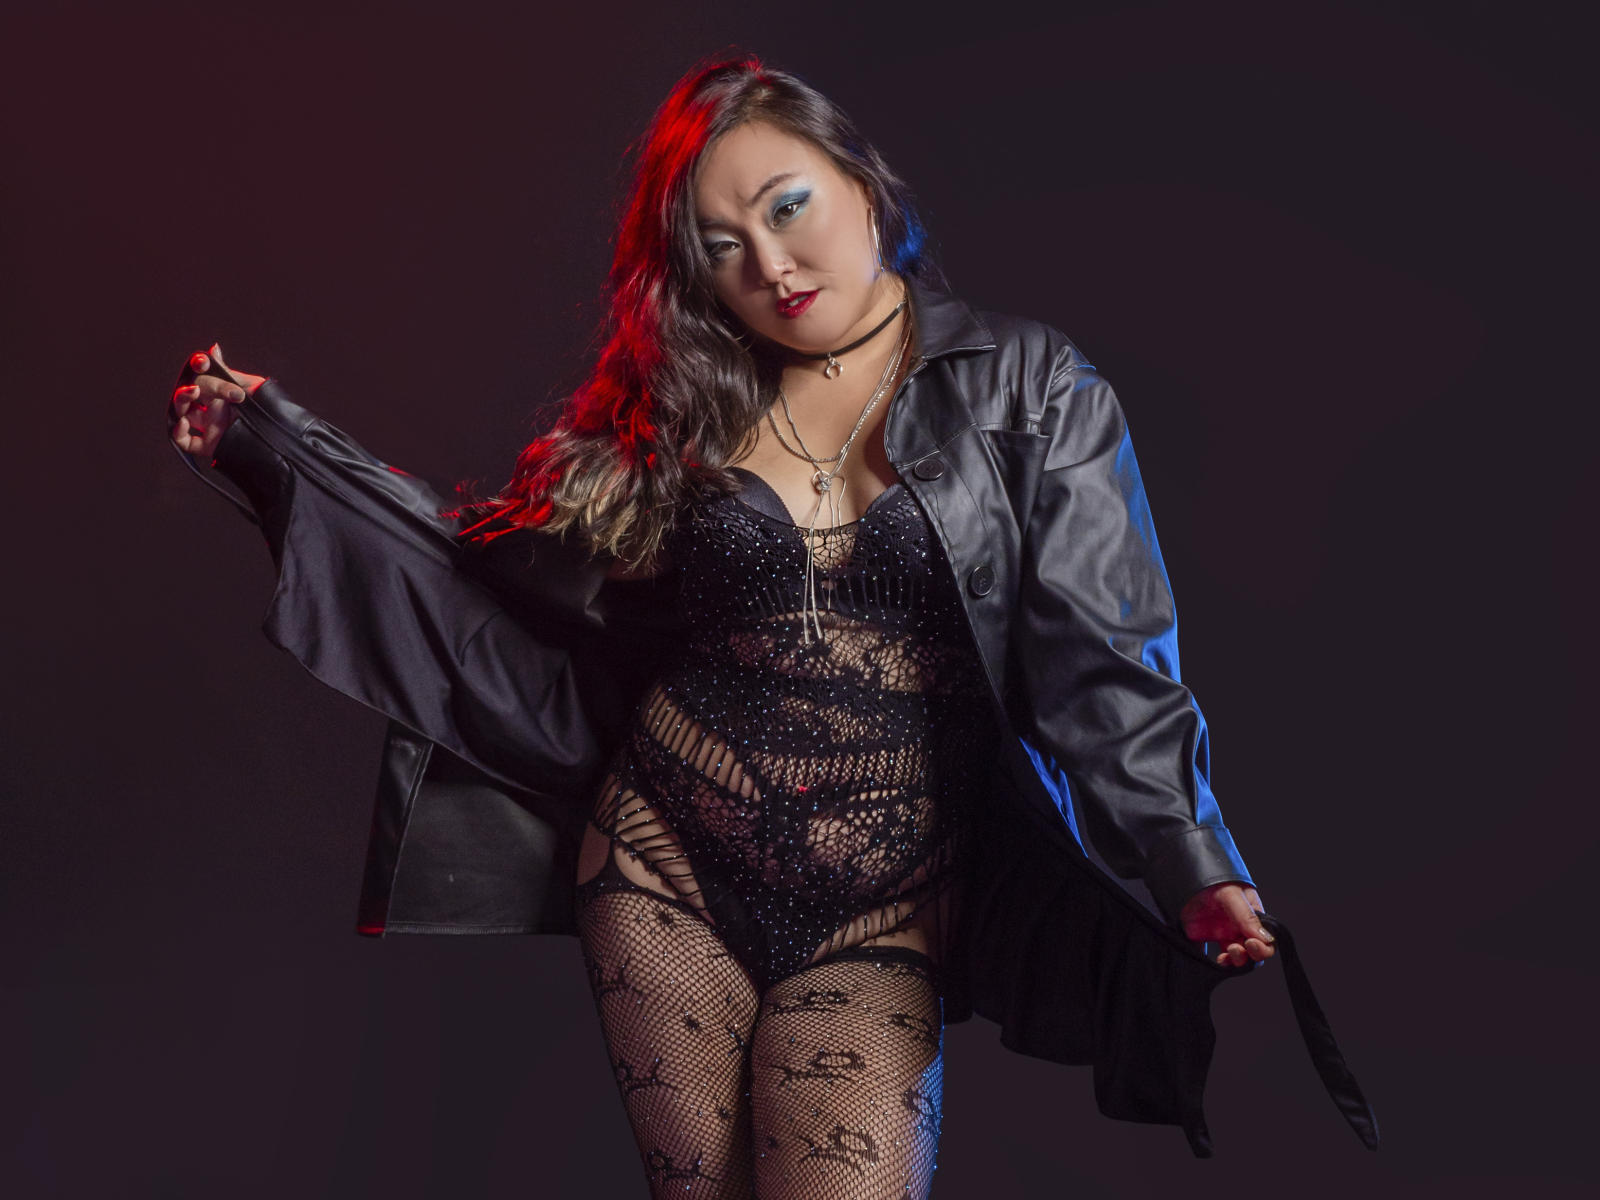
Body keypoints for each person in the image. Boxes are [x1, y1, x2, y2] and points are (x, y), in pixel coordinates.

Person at [169, 54, 1372, 1200]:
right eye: (722, 247)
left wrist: (1189, 858)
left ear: (860, 181)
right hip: (663, 861)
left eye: (787, 207)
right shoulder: (686, 402)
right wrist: (275, 447)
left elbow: (1101, 653)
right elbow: (478, 563)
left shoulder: (1030, 384)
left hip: (885, 901)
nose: (772, 264)